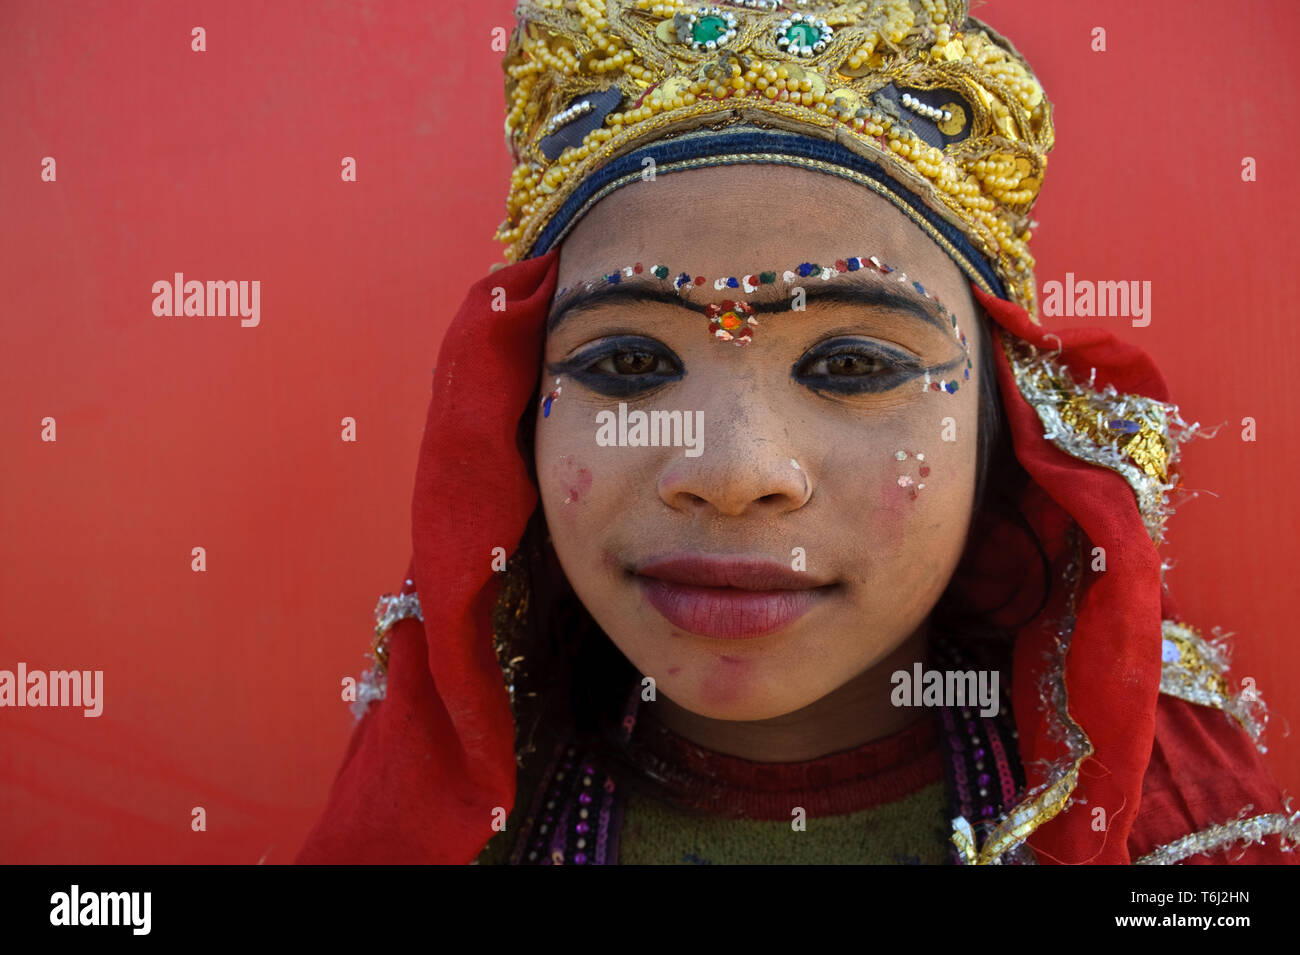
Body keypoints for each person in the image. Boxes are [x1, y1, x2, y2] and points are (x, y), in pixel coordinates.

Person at [296, 0, 1298, 865]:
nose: (733, 472)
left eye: (854, 366)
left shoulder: (1173, 838)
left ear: (1007, 428)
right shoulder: (453, 825)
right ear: (514, 420)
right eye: (628, 364)